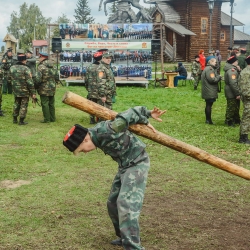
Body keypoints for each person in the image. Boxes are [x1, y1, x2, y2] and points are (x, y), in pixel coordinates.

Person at [63, 106, 166, 250]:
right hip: (125, 166)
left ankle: (132, 246)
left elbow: (130, 113)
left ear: (86, 139)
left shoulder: (109, 130)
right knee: (112, 203)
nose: (85, 153)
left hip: (137, 162)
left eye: (82, 150)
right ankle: (124, 237)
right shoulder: (95, 136)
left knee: (126, 204)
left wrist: (146, 117)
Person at [10, 50, 36, 125]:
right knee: (24, 105)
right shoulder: (26, 69)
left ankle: (14, 119)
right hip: (24, 90)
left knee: (16, 103)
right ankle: (21, 120)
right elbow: (30, 82)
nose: (26, 62)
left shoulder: (12, 68)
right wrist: (33, 93)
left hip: (16, 90)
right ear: (23, 60)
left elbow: (9, 78)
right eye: (25, 60)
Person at [85, 49, 107, 124]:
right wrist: (103, 92)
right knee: (100, 106)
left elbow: (86, 80)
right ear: (101, 58)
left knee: (92, 106)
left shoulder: (89, 67)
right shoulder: (101, 68)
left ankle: (92, 119)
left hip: (91, 90)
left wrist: (88, 88)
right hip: (99, 91)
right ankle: (100, 121)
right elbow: (102, 81)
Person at [36, 52, 58, 123]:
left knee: (45, 103)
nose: (39, 59)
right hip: (52, 87)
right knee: (51, 103)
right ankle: (52, 118)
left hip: (43, 88)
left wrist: (36, 86)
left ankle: (47, 119)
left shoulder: (40, 67)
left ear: (42, 57)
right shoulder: (53, 66)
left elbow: (38, 79)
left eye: (40, 57)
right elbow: (57, 77)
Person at [201, 58, 222, 124]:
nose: (216, 63)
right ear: (211, 62)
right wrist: (219, 77)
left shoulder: (208, 69)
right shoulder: (210, 69)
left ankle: (208, 119)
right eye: (215, 62)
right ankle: (208, 120)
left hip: (208, 89)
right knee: (209, 105)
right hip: (209, 90)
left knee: (208, 104)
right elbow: (212, 80)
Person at [223, 55, 241, 127]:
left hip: (231, 90)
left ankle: (236, 119)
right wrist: (237, 93)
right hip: (231, 91)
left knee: (235, 106)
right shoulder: (232, 71)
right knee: (231, 106)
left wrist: (239, 70)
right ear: (233, 62)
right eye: (236, 61)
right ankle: (229, 121)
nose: (237, 62)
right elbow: (233, 83)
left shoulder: (233, 69)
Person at [238, 55, 250, 144]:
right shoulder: (246, 72)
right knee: (247, 117)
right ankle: (243, 137)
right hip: (248, 99)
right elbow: (245, 90)